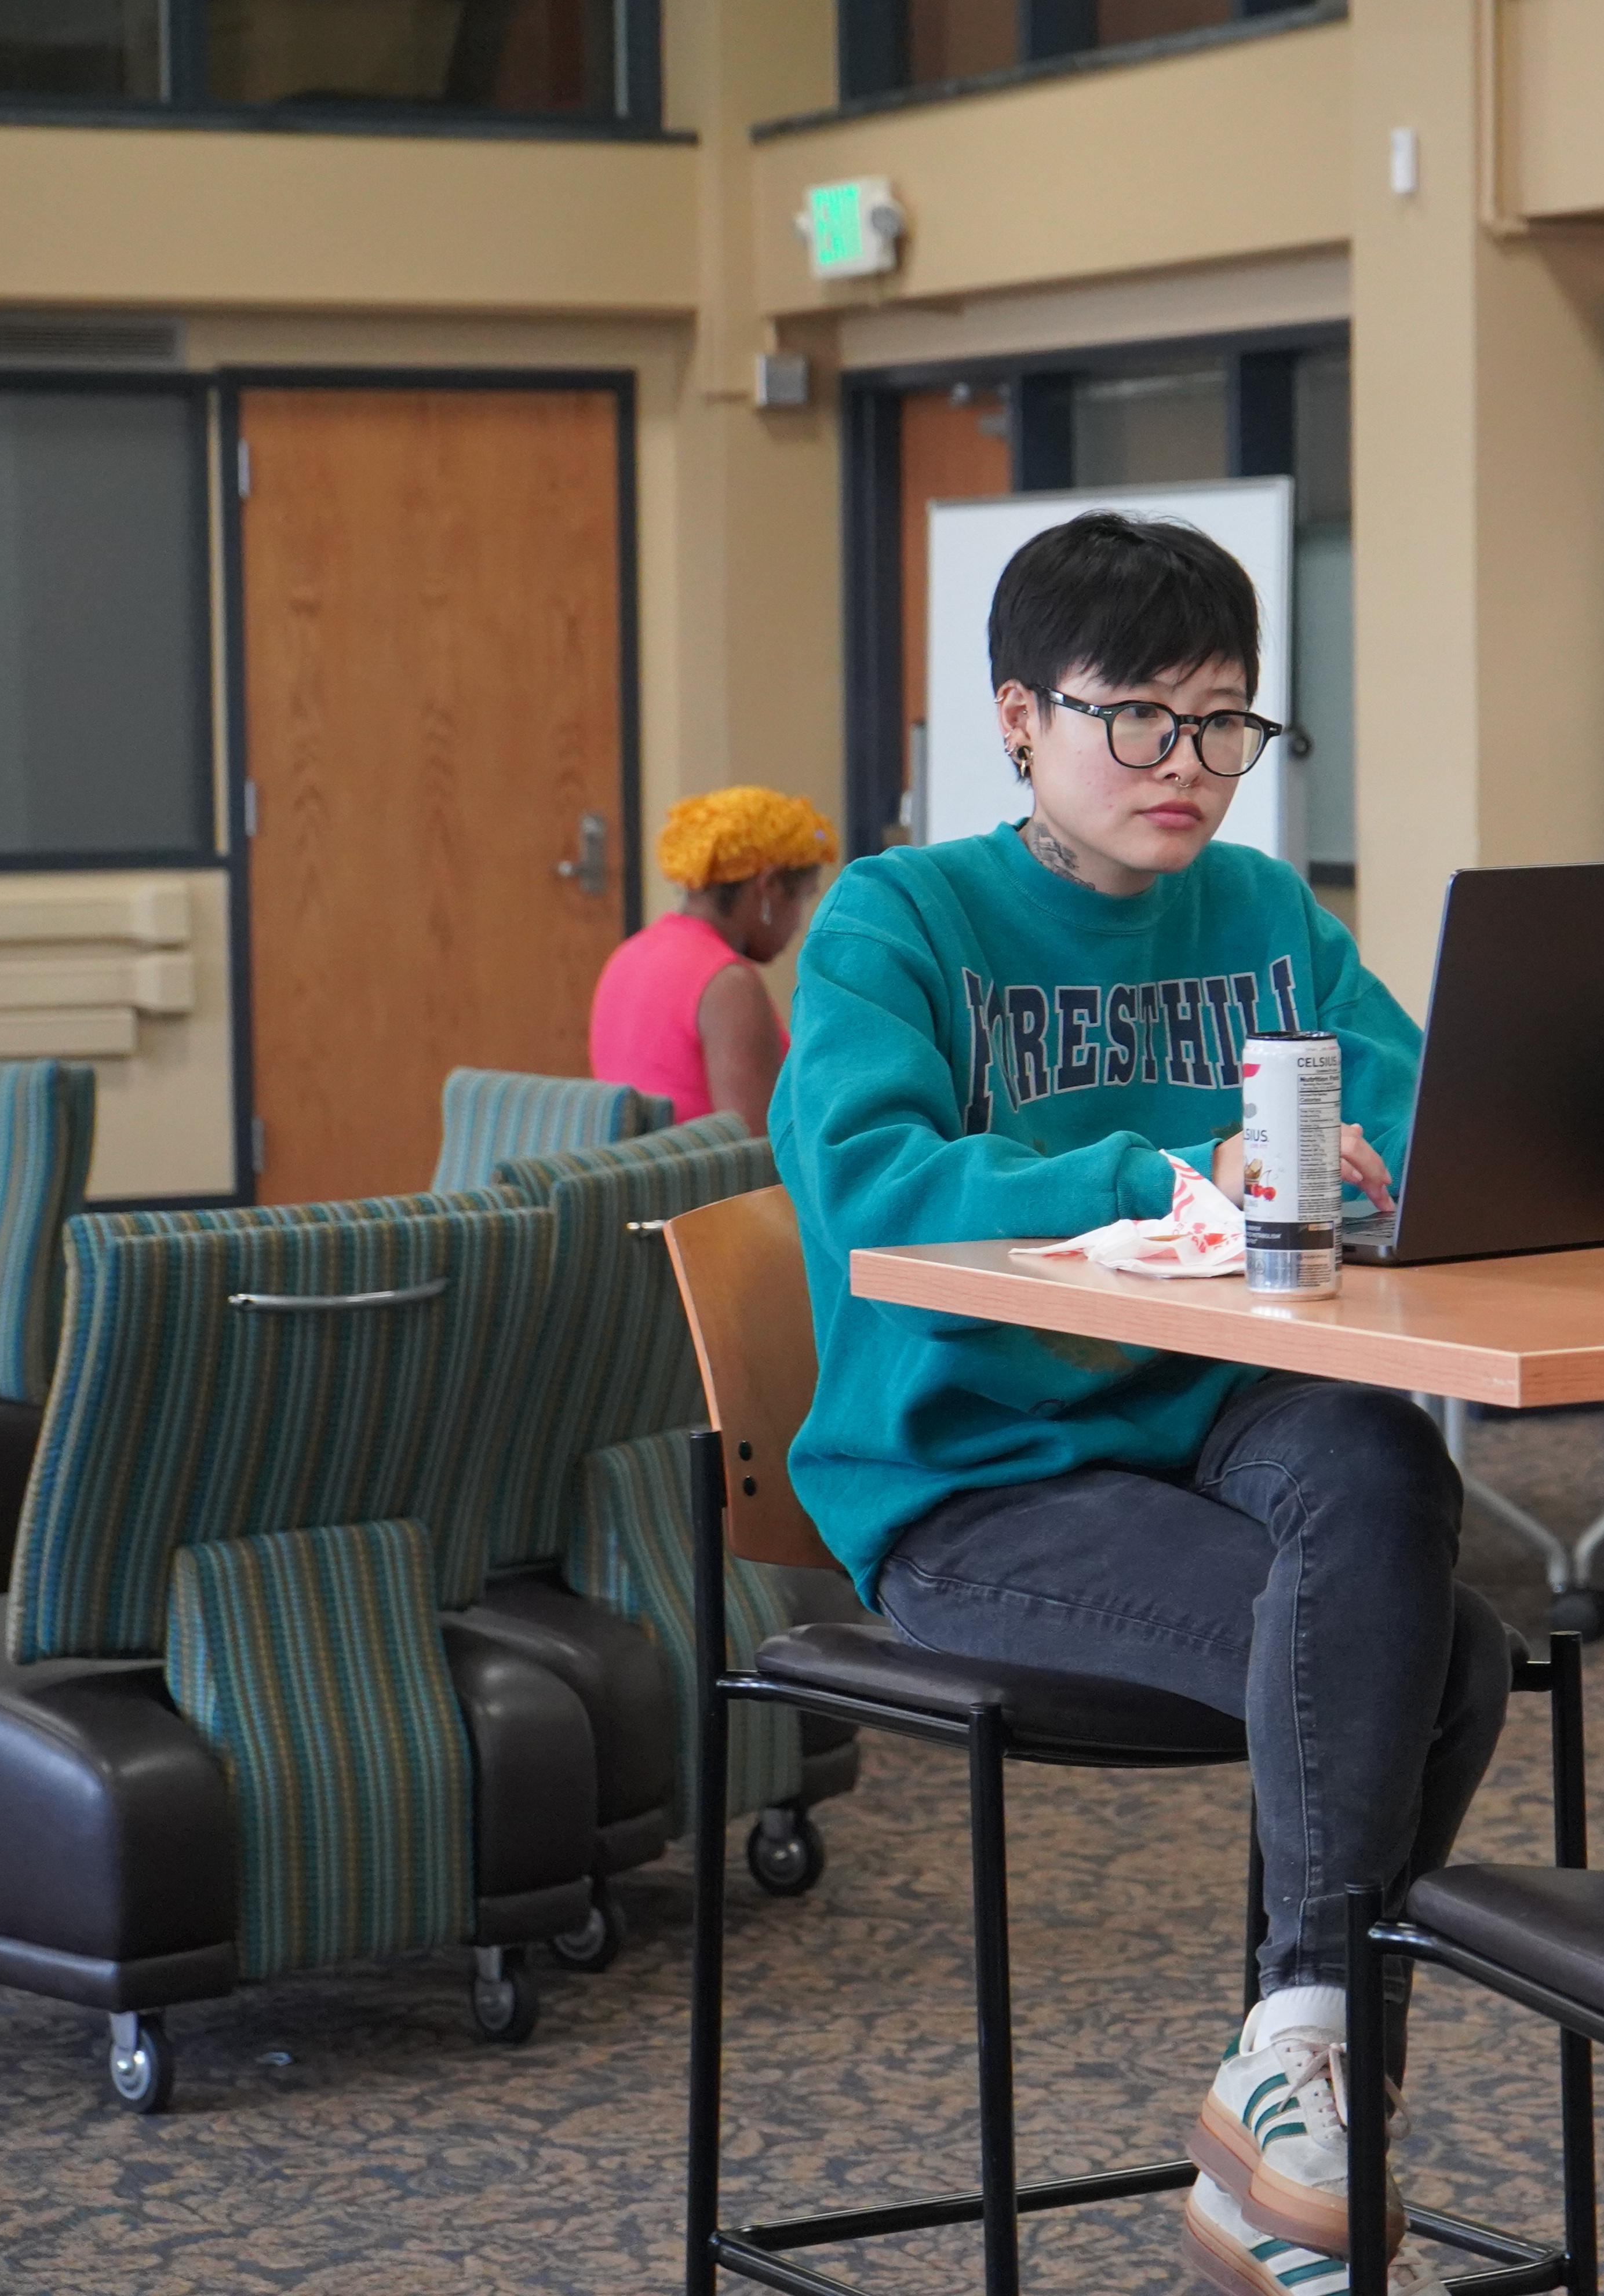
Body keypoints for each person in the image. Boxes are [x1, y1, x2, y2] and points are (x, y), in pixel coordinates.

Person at [770, 512, 1505, 2296]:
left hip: (1215, 1416)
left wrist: (1392, 1168)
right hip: (972, 1470)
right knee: (1440, 1659)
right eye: (1140, 721)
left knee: (1381, 1470)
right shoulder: (900, 919)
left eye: (1227, 724)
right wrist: (1181, 1162)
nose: (1190, 770)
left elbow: (1421, 1113)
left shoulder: (1261, 909)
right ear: (1018, 717)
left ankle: (1291, 2064)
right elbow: (870, 1188)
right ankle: (1308, 2125)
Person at [589, 787, 836, 1129]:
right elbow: (756, 1151)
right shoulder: (728, 984)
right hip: (704, 1183)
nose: (799, 922)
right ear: (770, 887)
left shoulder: (628, 955)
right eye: (803, 899)